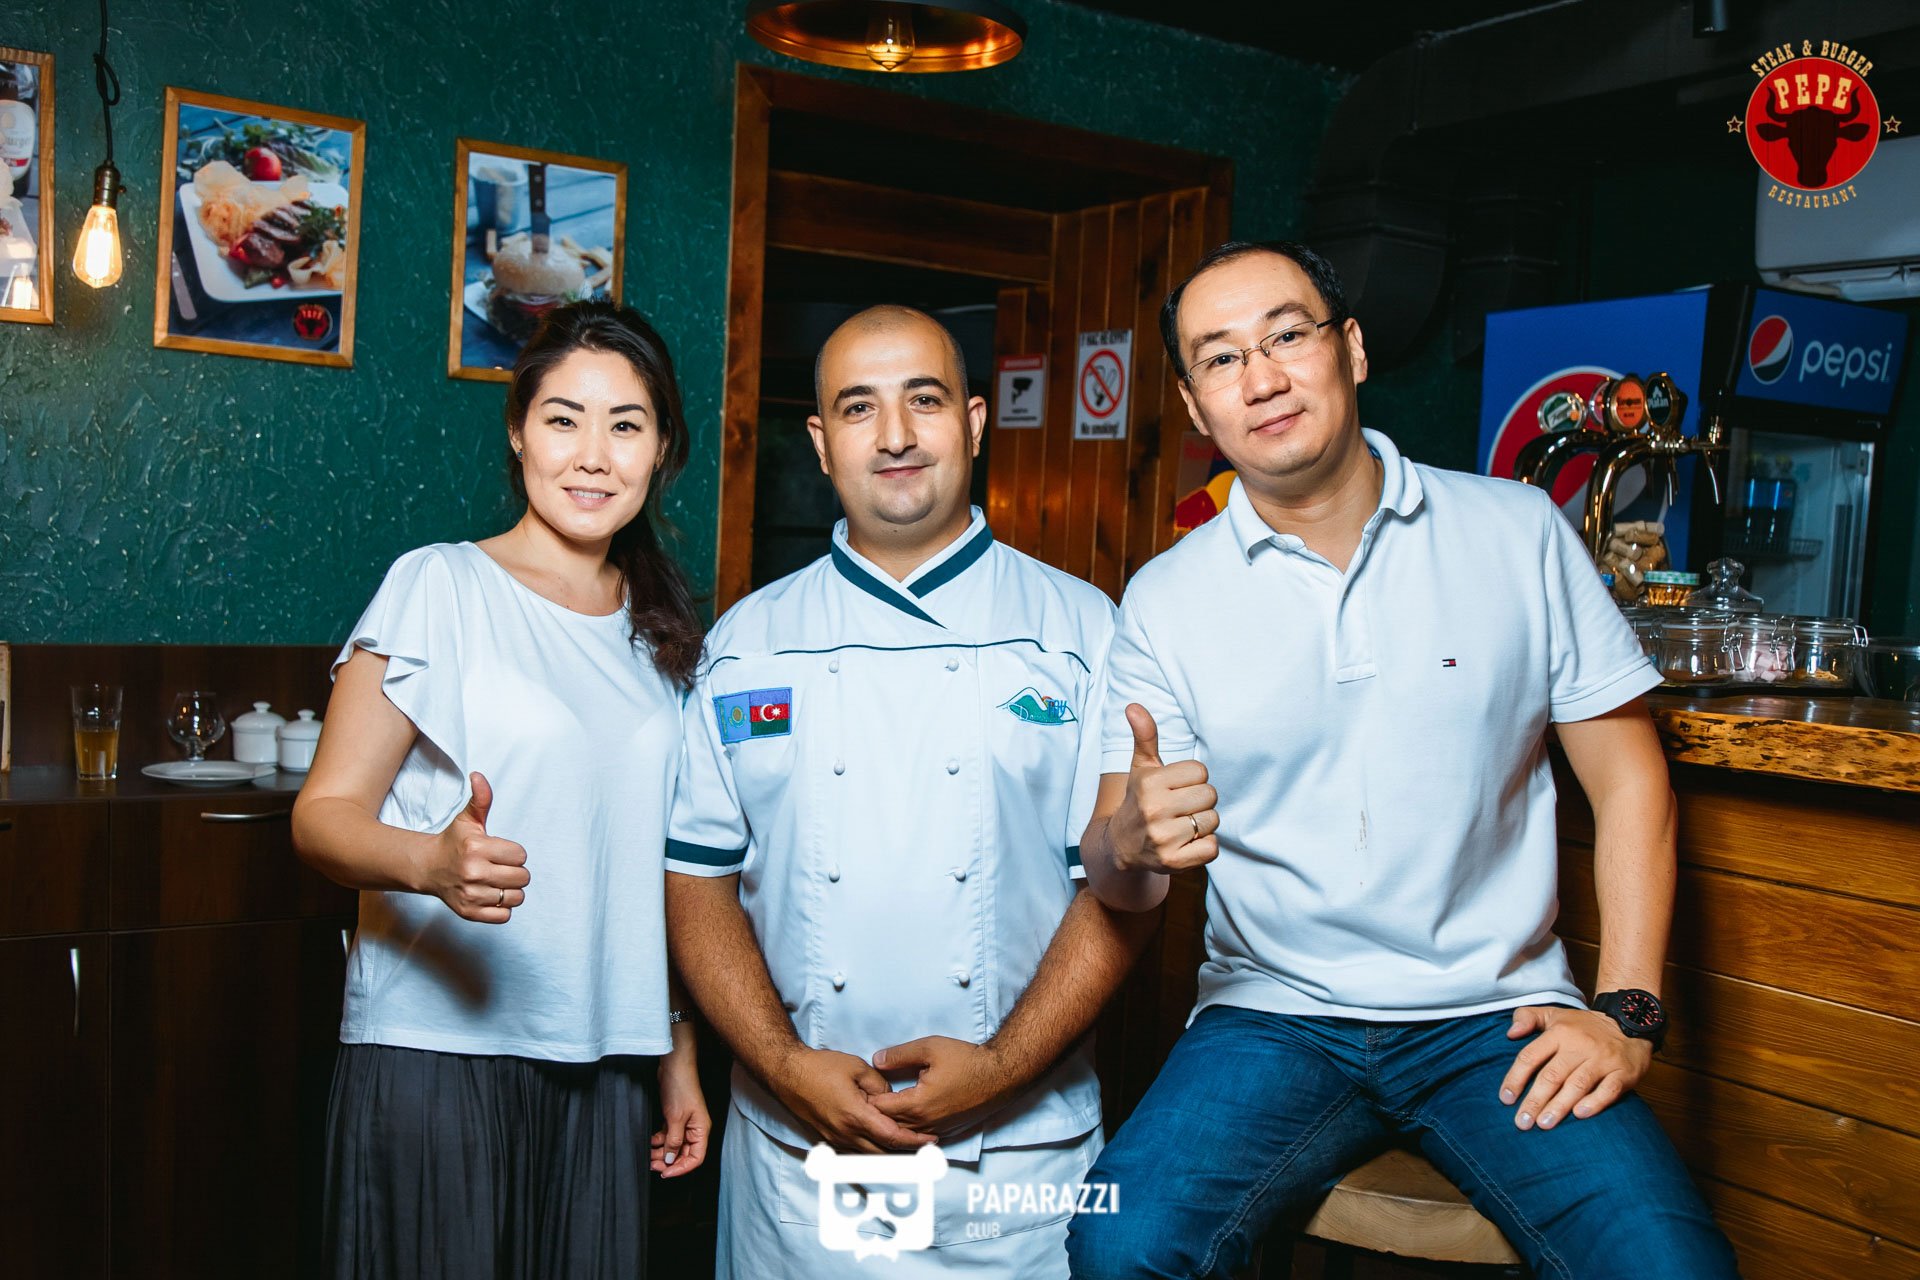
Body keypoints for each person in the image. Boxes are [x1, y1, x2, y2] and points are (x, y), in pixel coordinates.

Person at [1065, 242, 1741, 1279]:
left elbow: (1629, 779)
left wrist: (1627, 1011)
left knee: (1670, 1265)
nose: (1262, 377)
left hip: (1497, 1014)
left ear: (1352, 349)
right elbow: (1121, 875)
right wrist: (1128, 839)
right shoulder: (1166, 595)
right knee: (1121, 1242)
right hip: (1273, 1015)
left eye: (1287, 335)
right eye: (1221, 357)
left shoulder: (1517, 532)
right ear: (1197, 406)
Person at [665, 306, 1154, 1277]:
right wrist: (785, 1063)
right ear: (821, 442)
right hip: (797, 1167)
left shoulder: (1084, 633)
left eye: (923, 401)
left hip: (1017, 1167)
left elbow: (1121, 897)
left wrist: (1002, 1068)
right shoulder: (746, 644)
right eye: (859, 407)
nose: (894, 435)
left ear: (973, 423)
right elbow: (697, 880)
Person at [292, 302, 712, 1279]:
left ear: (661, 450)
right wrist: (429, 862)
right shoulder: (438, 585)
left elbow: (649, 868)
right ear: (519, 430)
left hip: (606, 1058)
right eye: (564, 419)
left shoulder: (663, 635)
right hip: (437, 1050)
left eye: (626, 424)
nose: (593, 455)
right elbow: (321, 817)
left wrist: (676, 1049)